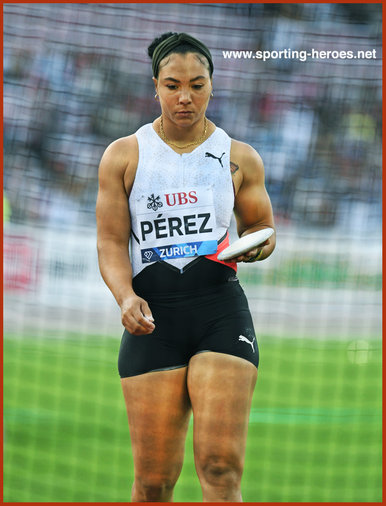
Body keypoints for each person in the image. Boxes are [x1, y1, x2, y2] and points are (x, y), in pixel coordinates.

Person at [96, 32, 276, 502]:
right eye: (173, 84)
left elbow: (262, 227)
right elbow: (112, 240)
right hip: (153, 321)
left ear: (212, 86)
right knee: (153, 484)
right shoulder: (124, 155)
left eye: (197, 85)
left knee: (220, 469)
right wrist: (125, 296)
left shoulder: (239, 158)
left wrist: (257, 246)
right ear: (154, 84)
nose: (184, 97)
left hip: (221, 312)